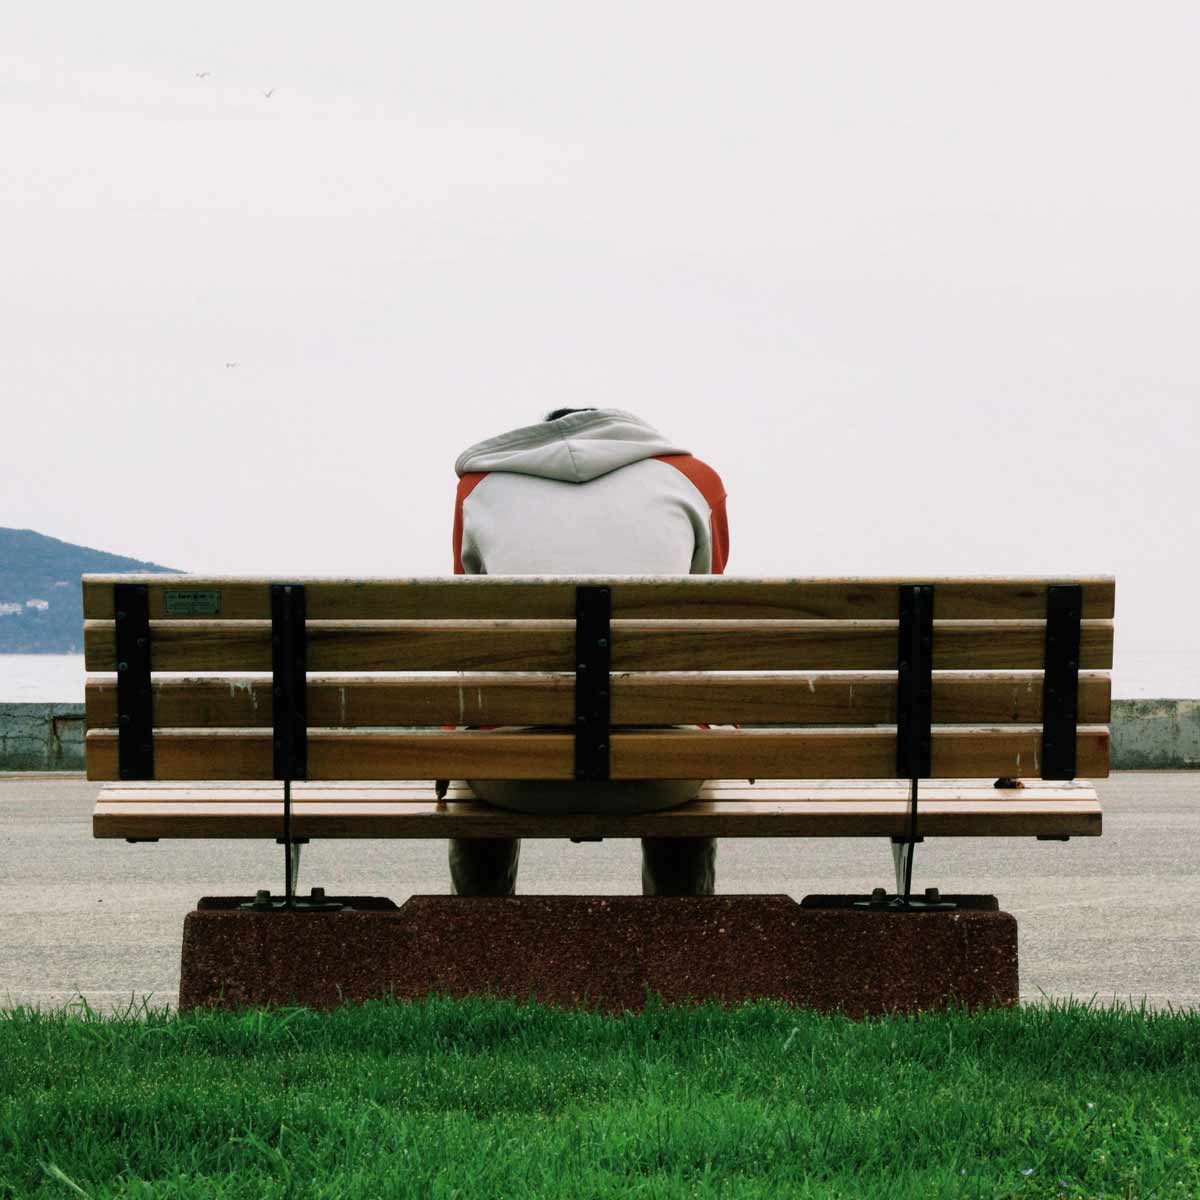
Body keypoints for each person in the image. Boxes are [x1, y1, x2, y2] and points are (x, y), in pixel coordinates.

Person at [448, 407, 730, 897]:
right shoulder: (695, 480)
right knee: (683, 728)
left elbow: (474, 628)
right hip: (661, 778)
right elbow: (701, 620)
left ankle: (477, 930)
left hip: (511, 779)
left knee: (480, 735)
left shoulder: (479, 489)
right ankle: (683, 930)